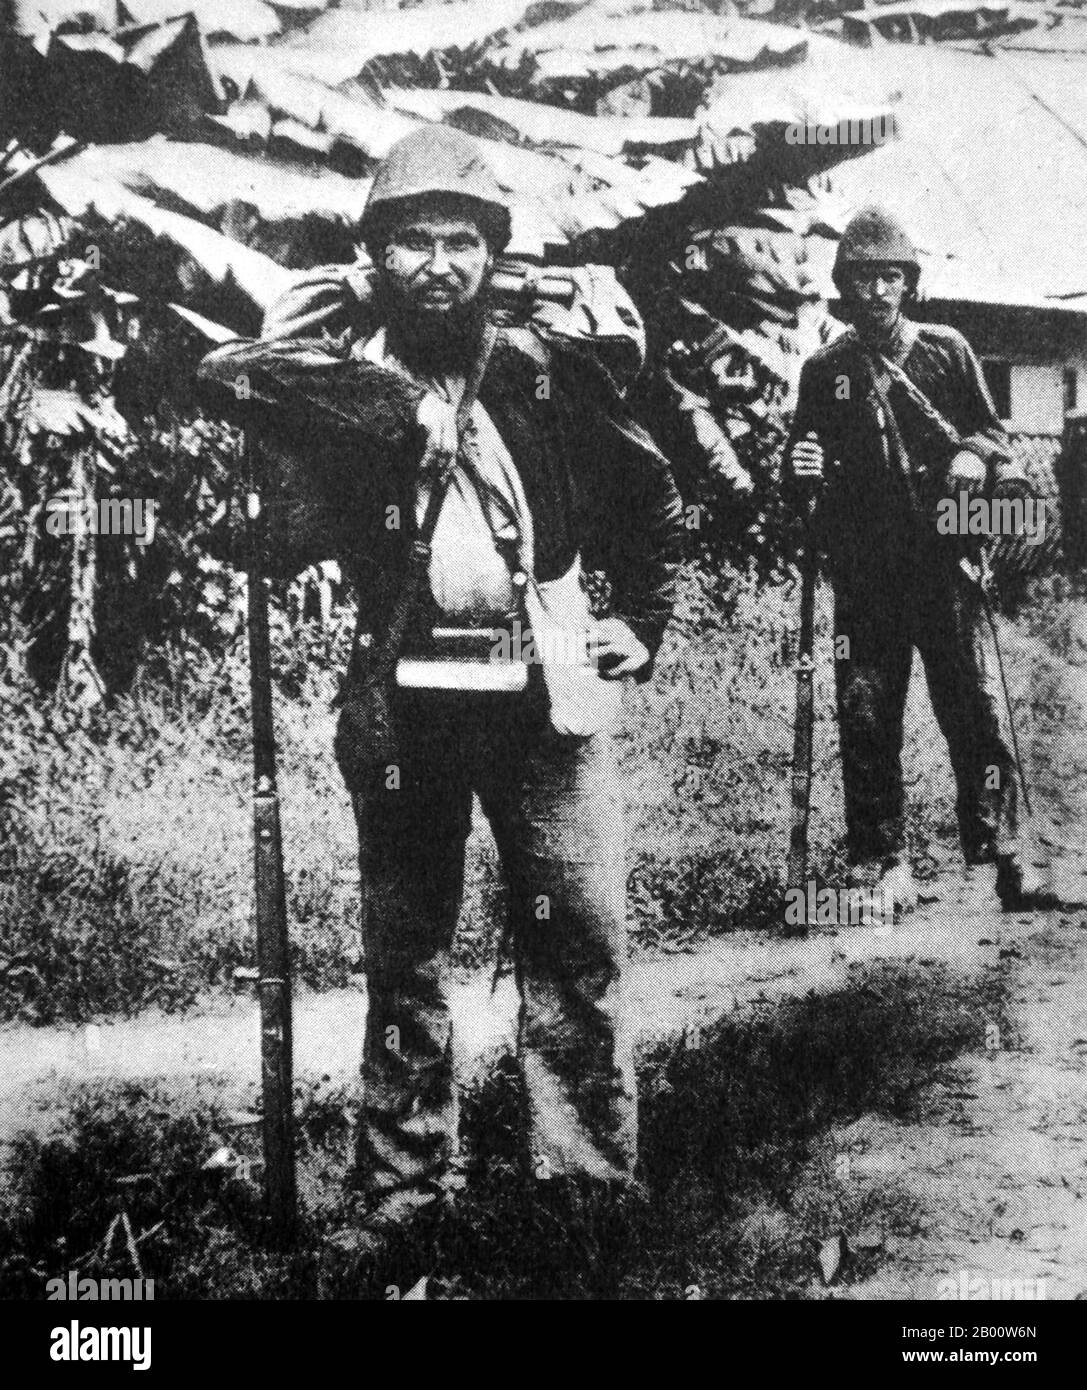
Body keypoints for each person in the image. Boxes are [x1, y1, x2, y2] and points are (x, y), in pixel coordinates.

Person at [200, 125, 684, 1257]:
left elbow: (649, 491)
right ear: (378, 258)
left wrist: (638, 623)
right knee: (404, 953)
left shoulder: (544, 370)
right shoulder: (344, 392)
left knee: (577, 945)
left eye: (458, 241)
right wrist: (275, 397)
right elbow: (270, 545)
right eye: (410, 241)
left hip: (543, 699)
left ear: (490, 254)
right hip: (408, 712)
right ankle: (401, 1189)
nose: (436, 265)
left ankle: (587, 1185)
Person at [785, 205, 1058, 914]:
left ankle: (1006, 857)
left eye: (888, 277)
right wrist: (801, 467)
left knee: (973, 710)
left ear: (907, 282)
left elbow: (991, 433)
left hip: (944, 567)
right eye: (862, 279)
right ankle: (882, 864)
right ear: (844, 288)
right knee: (867, 715)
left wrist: (970, 453)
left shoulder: (945, 350)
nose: (875, 291)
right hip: (865, 573)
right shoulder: (826, 369)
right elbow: (800, 469)